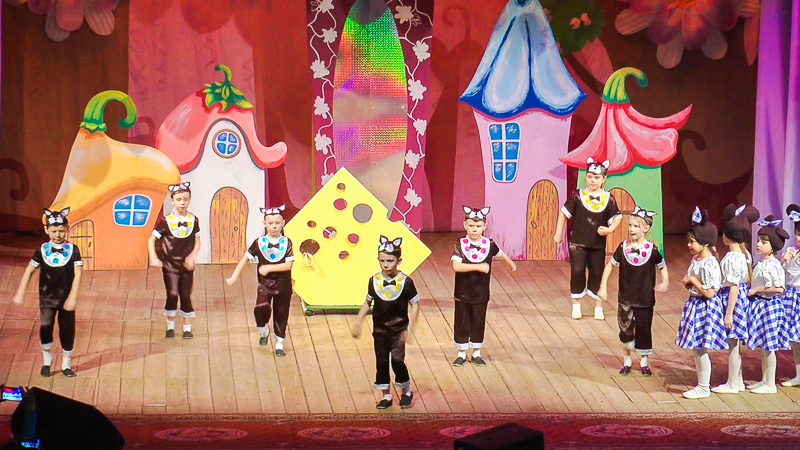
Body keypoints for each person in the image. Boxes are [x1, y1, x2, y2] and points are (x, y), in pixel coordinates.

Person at [598, 206, 669, 376]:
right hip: (626, 298)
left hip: (644, 299)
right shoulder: (623, 247)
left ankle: (644, 362)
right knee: (625, 330)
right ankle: (627, 360)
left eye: (636, 226)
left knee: (644, 329)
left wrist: (665, 282)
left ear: (646, 228)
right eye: (630, 225)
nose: (631, 229)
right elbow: (609, 266)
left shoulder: (651, 250)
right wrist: (603, 286)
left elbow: (662, 266)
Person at [12, 208, 82, 377]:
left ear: (67, 229)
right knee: (46, 328)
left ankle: (66, 363)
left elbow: (78, 274)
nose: (58, 235)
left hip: (65, 298)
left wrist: (73, 297)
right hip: (47, 299)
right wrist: (21, 292)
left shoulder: (73, 249)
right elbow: (29, 270)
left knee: (67, 329)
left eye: (61, 231)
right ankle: (47, 361)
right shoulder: (42, 249)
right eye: (54, 231)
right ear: (46, 230)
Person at [351, 236, 419, 409]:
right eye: (382, 261)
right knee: (381, 361)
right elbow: (368, 302)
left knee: (397, 359)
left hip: (398, 329)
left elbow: (415, 304)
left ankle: (406, 391)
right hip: (380, 329)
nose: (386, 265)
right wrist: (358, 321)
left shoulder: (406, 282)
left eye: (390, 261)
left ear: (399, 261)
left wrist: (411, 327)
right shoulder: (374, 281)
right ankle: (386, 395)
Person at [554, 157, 622, 320]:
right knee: (577, 271)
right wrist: (558, 233)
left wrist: (609, 229)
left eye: (597, 177)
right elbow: (564, 213)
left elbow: (617, 217)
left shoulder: (609, 198)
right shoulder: (577, 196)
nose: (593, 180)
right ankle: (576, 304)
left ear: (604, 179)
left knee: (597, 272)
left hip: (597, 245)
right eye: (590, 176)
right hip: (577, 243)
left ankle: (598, 306)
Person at [451, 206, 517, 367]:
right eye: (471, 226)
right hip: (463, 292)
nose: (474, 229)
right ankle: (461, 353)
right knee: (461, 321)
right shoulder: (460, 244)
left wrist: (511, 264)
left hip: (480, 292)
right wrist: (479, 267)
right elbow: (456, 266)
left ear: (484, 226)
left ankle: (476, 352)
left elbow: (501, 255)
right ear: (465, 225)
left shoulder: (489, 244)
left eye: (478, 226)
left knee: (478, 320)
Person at [226, 205, 294, 355]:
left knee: (281, 313)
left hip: (283, 286)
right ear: (264, 224)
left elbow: (288, 265)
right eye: (270, 223)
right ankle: (263, 330)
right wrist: (234, 276)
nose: (274, 226)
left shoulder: (287, 243)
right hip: (265, 285)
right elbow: (245, 258)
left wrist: (269, 268)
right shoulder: (259, 242)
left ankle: (279, 343)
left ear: (283, 223)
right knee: (261, 308)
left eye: (277, 223)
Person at [675, 207, 727, 399]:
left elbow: (710, 292)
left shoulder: (710, 263)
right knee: (696, 348)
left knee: (701, 347)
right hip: (695, 304)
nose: (689, 245)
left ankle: (704, 386)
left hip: (705, 307)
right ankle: (701, 384)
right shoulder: (697, 259)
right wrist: (688, 282)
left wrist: (693, 281)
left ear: (704, 243)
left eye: (693, 241)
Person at [711, 204, 759, 394]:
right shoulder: (744, 254)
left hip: (734, 301)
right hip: (740, 299)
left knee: (733, 345)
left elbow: (733, 286)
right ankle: (737, 380)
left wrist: (729, 313)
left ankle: (732, 383)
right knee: (735, 345)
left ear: (726, 236)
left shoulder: (733, 257)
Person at [148, 182, 200, 339]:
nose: (182, 203)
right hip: (170, 266)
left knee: (185, 294)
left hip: (186, 267)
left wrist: (192, 256)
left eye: (185, 199)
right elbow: (151, 239)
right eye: (178, 199)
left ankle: (187, 327)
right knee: (172, 293)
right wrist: (154, 257)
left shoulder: (193, 220)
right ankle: (170, 325)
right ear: (172, 201)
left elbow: (197, 241)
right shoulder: (166, 221)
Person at [745, 215, 789, 394]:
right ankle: (764, 379)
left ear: (773, 245)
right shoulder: (762, 263)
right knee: (763, 347)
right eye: (758, 240)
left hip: (769, 307)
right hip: (761, 306)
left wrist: (757, 289)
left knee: (769, 347)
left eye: (763, 242)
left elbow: (779, 288)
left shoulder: (773, 265)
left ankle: (770, 383)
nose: (758, 244)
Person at [781, 204, 800, 387]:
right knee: (795, 338)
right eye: (797, 234)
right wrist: (783, 260)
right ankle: (798, 374)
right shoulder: (791, 251)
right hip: (791, 297)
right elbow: (779, 273)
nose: (799, 238)